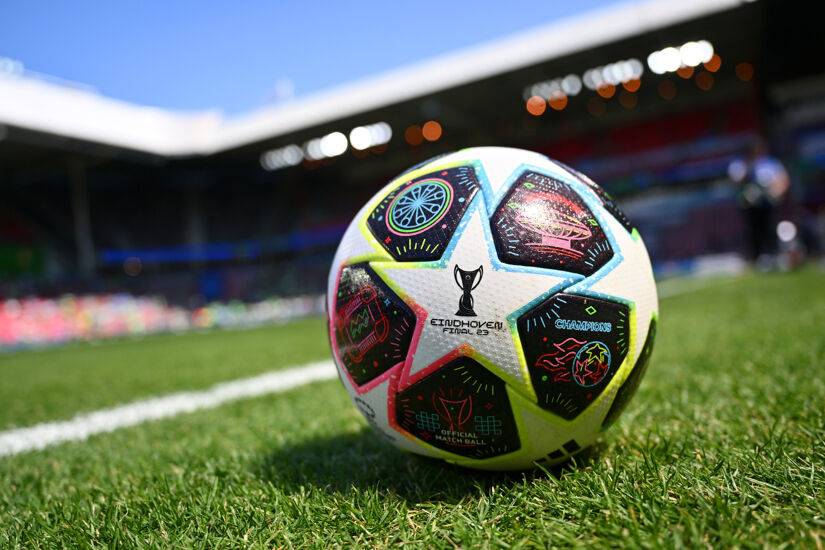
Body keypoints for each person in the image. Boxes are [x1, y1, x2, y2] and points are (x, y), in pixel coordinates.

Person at [728, 140, 790, 267]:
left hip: (768, 203)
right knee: (754, 230)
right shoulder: (740, 164)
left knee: (771, 228)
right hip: (751, 204)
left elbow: (783, 178)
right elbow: (736, 180)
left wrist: (777, 191)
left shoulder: (770, 163)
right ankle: (757, 257)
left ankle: (775, 255)